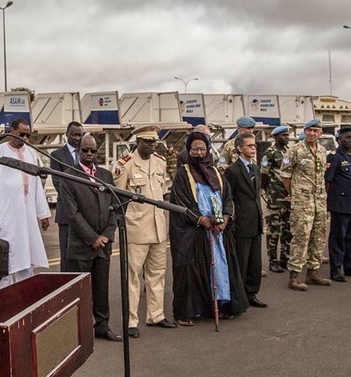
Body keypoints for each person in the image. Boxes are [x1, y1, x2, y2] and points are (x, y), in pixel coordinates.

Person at [169, 131, 248, 325]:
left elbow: (228, 198)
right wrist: (200, 219)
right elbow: (181, 201)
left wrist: (225, 219)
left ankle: (221, 305)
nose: (198, 152)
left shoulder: (215, 173)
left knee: (220, 269)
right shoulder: (183, 174)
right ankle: (190, 311)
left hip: (217, 231)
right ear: (189, 150)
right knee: (191, 270)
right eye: (195, 149)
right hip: (195, 231)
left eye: (202, 149)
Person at [114, 126, 176, 337]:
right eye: (148, 142)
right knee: (132, 277)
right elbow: (119, 199)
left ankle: (156, 315)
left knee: (157, 275)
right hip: (137, 229)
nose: (152, 146)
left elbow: (162, 194)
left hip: (158, 228)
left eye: (154, 142)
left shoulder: (160, 162)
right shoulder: (125, 165)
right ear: (137, 142)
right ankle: (131, 321)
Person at [59, 134, 121, 341]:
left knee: (101, 288)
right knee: (81, 290)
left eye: (93, 151)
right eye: (85, 150)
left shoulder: (105, 175)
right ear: (78, 151)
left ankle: (102, 326)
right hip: (81, 246)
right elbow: (72, 213)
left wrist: (106, 235)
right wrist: (92, 238)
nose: (89, 154)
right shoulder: (70, 176)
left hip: (103, 244)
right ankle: (80, 329)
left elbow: (114, 208)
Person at [0, 119, 51, 288]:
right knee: (6, 260)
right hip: (7, 215)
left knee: (27, 259)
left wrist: (43, 214)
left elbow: (36, 186)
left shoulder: (31, 154)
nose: (25, 138)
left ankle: (25, 300)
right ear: (11, 131)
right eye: (22, 134)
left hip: (27, 215)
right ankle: (5, 304)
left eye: (28, 135)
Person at [281, 119, 331, 290]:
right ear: (304, 132)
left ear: (320, 134)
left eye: (315, 130)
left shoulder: (323, 151)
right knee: (301, 236)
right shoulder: (294, 151)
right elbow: (285, 175)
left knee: (318, 236)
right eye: (309, 130)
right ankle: (294, 276)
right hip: (303, 202)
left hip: (319, 201)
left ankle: (313, 273)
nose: (312, 133)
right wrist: (293, 194)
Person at [225, 132, 267, 307]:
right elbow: (228, 197)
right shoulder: (232, 171)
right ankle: (239, 296)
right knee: (241, 262)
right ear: (239, 148)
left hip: (255, 221)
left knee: (255, 263)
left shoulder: (255, 168)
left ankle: (251, 293)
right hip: (241, 222)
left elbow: (255, 195)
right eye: (249, 146)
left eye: (254, 146)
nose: (253, 148)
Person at [325, 127, 351, 282]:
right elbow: (328, 180)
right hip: (340, 204)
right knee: (338, 238)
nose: (350, 140)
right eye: (347, 138)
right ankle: (335, 270)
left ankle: (350, 266)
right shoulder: (334, 157)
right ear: (339, 139)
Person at [50, 121, 84, 271]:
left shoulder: (87, 154)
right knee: (66, 254)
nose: (76, 138)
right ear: (66, 134)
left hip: (85, 213)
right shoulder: (57, 156)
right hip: (66, 213)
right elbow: (59, 184)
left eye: (79, 135)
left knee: (82, 255)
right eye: (73, 134)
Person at [260, 125, 292, 273]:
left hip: (288, 196)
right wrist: (266, 191)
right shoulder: (270, 153)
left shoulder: (289, 152)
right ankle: (273, 260)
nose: (286, 137)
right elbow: (264, 174)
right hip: (275, 196)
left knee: (288, 228)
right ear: (275, 137)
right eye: (283, 135)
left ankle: (285, 258)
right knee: (274, 229)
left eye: (287, 135)